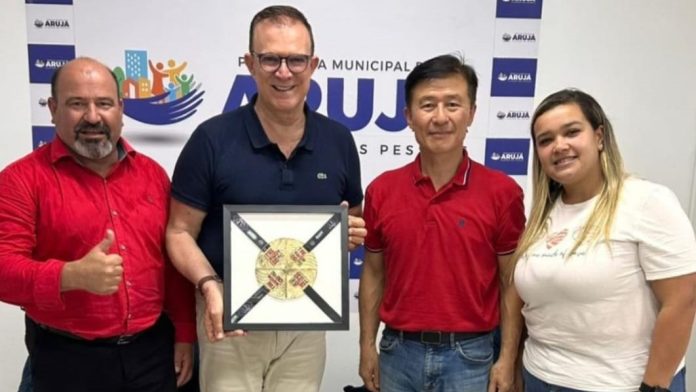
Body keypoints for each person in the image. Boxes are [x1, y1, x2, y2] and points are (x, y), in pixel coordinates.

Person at [165, 5, 366, 392]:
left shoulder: (339, 141)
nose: (284, 71)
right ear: (250, 63)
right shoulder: (212, 140)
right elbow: (178, 232)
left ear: (313, 64)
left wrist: (347, 234)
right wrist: (210, 286)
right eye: (270, 58)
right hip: (229, 323)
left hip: (306, 327)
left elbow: (350, 225)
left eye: (296, 59)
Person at [0, 57, 196, 392]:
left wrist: (185, 334)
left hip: (152, 353)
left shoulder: (153, 175)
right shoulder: (20, 180)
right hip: (67, 361)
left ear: (120, 108)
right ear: (52, 108)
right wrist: (69, 276)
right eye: (77, 104)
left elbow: (172, 264)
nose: (92, 117)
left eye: (103, 103)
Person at [358, 54, 526, 392]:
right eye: (427, 105)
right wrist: (366, 347)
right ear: (408, 116)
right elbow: (374, 272)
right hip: (397, 353)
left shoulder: (503, 192)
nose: (440, 117)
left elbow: (511, 282)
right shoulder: (381, 190)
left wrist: (507, 359)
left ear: (471, 114)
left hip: (471, 356)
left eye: (452, 104)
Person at [512, 89, 696, 392]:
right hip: (541, 377)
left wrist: (654, 388)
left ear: (599, 137)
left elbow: (682, 301)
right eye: (545, 140)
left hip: (620, 384)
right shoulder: (544, 215)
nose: (559, 146)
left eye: (571, 132)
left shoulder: (646, 201)